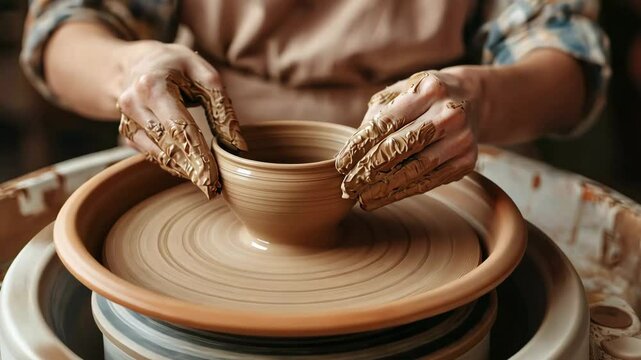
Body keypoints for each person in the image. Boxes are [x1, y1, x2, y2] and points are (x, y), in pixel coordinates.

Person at [21, 0, 610, 210]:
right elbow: (66, 26)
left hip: (439, 152)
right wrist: (131, 69)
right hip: (214, 153)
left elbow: (565, 61)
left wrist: (476, 99)